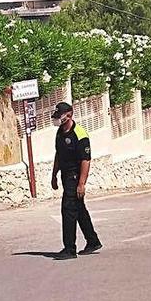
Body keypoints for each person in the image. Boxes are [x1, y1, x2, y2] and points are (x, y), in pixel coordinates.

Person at [50, 102, 102, 260]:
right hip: (65, 176)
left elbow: (85, 160)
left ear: (69, 115)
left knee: (68, 210)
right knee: (79, 209)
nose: (58, 119)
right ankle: (93, 241)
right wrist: (54, 175)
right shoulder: (60, 132)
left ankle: (69, 248)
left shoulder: (80, 134)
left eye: (60, 116)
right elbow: (58, 155)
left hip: (75, 177)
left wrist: (81, 184)